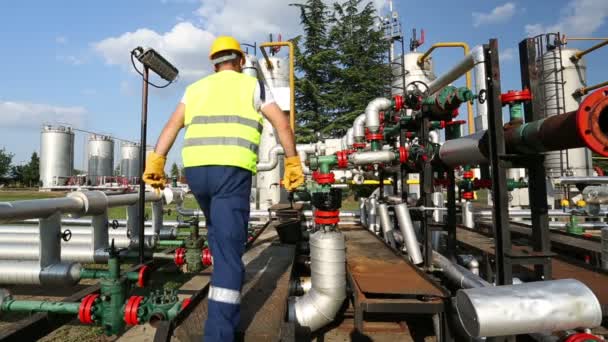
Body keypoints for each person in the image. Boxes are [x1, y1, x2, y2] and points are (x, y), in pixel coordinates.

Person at [142, 36, 304, 341]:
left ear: (214, 63)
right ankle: (218, 333)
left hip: (196, 173)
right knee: (230, 254)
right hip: (230, 171)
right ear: (241, 61)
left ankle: (218, 268)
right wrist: (293, 162)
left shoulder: (195, 89)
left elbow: (171, 126)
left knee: (218, 233)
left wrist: (157, 162)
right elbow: (281, 124)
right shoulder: (252, 85)